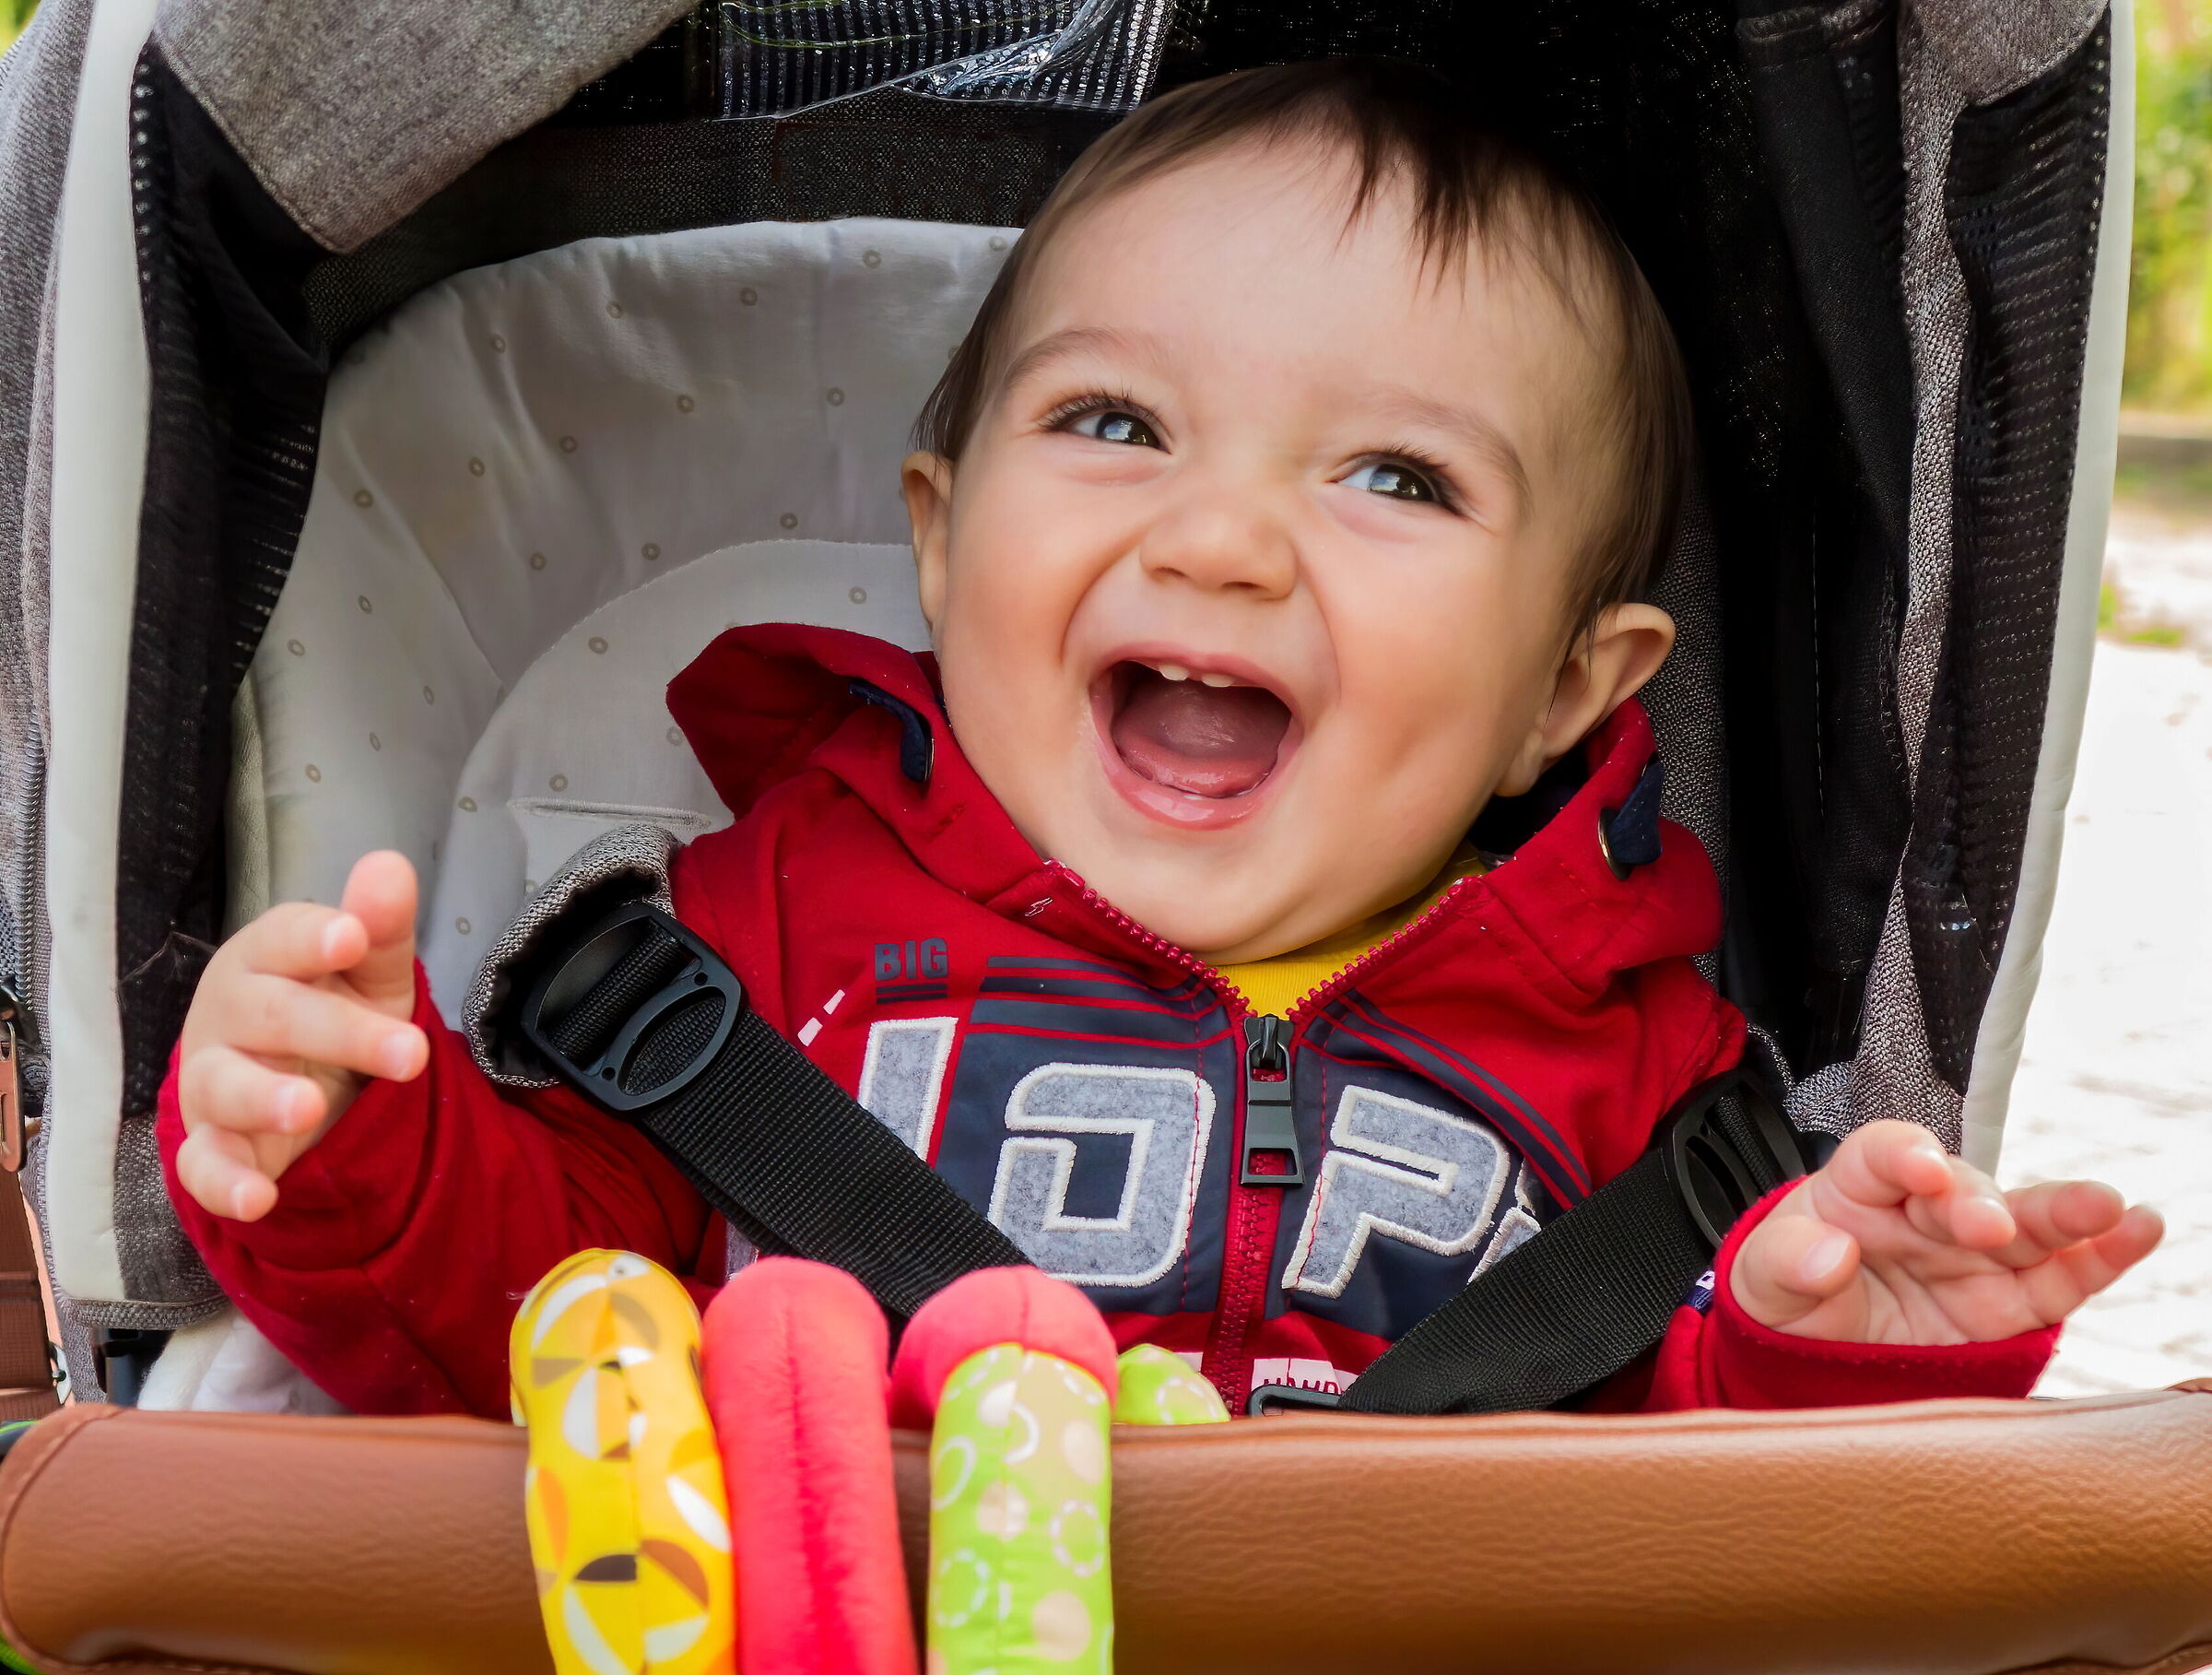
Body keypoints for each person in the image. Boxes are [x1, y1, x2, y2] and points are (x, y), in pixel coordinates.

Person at [159, 60, 2161, 1421]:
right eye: (1115, 426)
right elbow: (534, 1330)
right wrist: (353, 1155)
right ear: (940, 547)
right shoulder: (744, 942)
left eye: (1394, 476)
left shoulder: (1650, 1071)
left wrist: (1827, 1344)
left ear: (1572, 687)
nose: (1215, 540)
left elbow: (1681, 1482)